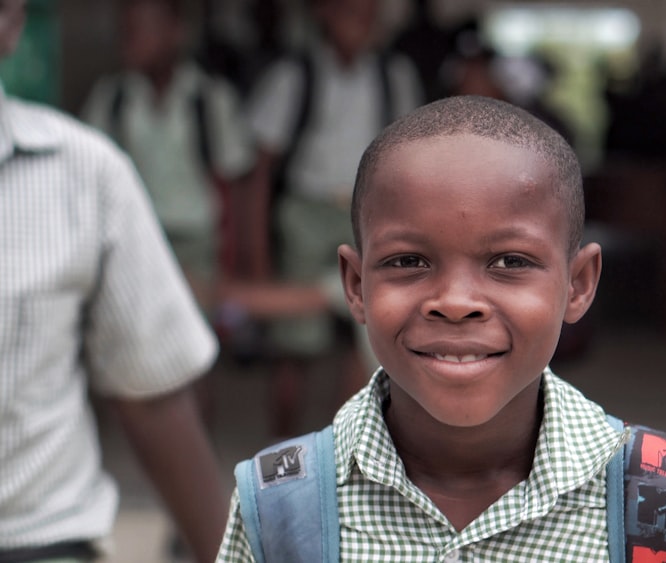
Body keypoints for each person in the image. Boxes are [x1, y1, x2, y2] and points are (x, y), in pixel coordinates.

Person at [215, 95, 666, 562]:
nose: (455, 303)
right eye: (409, 262)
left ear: (579, 284)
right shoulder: (282, 505)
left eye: (510, 263)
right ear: (356, 284)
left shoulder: (664, 501)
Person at [0, 1, 228, 562]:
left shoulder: (82, 172)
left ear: (12, 23)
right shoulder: (112, 101)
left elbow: (151, 392)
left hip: (38, 539)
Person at [245, 0, 422, 437]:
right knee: (293, 342)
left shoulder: (394, 77)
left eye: (368, 13)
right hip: (305, 213)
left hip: (369, 215)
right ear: (323, 13)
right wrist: (256, 253)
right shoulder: (293, 76)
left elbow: (414, 163)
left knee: (365, 339)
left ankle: (344, 449)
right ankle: (284, 447)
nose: (360, 21)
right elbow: (260, 169)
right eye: (349, 10)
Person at [82, 0, 255, 306]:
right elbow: (88, 181)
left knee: (196, 332)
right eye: (126, 32)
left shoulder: (210, 99)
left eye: (141, 31)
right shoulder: (111, 100)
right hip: (133, 240)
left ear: (175, 33)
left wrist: (242, 258)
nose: (129, 42)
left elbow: (238, 184)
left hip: (198, 243)